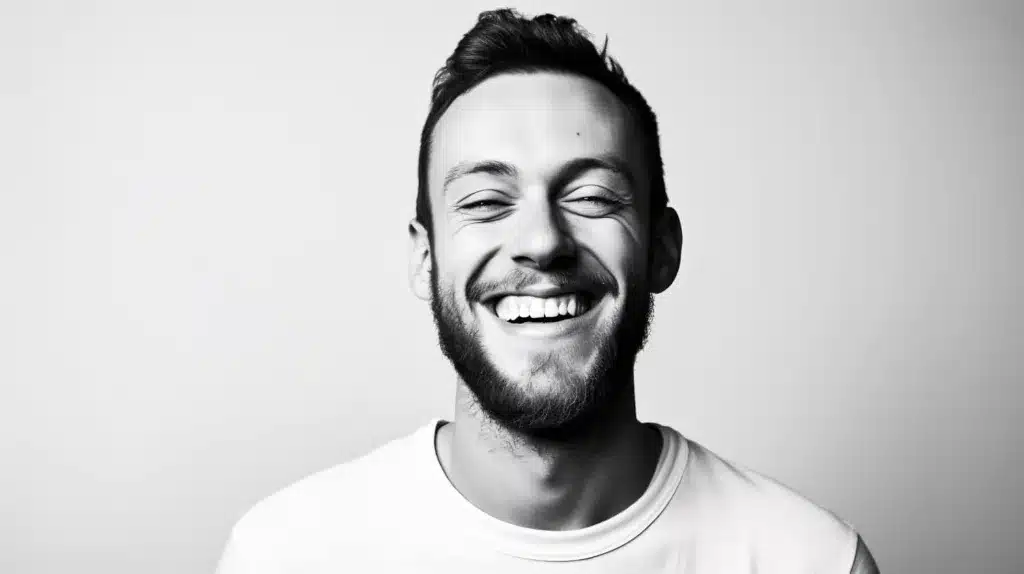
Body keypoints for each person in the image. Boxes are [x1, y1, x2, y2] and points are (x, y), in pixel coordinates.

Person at [216, 9, 879, 573]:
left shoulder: (811, 560)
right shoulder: (286, 554)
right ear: (425, 259)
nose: (542, 239)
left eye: (590, 195)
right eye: (485, 200)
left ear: (662, 250)